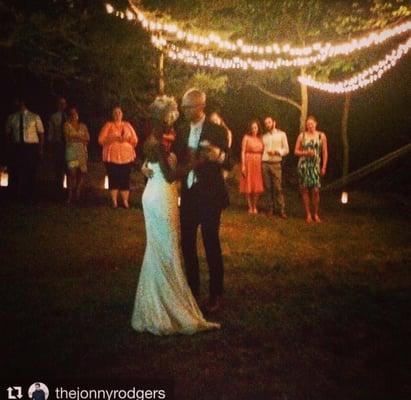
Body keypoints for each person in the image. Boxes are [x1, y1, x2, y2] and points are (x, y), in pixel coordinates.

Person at [132, 95, 220, 335]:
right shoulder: (157, 142)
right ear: (163, 118)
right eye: (171, 118)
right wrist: (196, 162)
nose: (173, 123)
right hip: (161, 195)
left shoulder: (157, 140)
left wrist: (147, 165)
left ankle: (164, 296)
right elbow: (170, 174)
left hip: (160, 194)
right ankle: (167, 300)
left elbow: (153, 160)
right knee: (169, 247)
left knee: (161, 248)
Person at [173, 88, 229, 313]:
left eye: (187, 107)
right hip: (188, 193)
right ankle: (192, 290)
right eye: (183, 107)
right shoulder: (182, 129)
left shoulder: (216, 131)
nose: (183, 110)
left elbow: (230, 160)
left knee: (210, 242)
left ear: (200, 107)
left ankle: (216, 294)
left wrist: (219, 156)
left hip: (210, 194)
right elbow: (177, 157)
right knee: (186, 242)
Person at [5, 97, 44, 203]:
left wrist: (40, 149)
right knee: (14, 171)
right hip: (17, 146)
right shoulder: (12, 117)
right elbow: (8, 133)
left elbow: (41, 133)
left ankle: (29, 195)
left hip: (30, 147)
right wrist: (9, 147)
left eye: (17, 102)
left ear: (22, 102)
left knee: (30, 171)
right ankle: (13, 194)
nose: (15, 104)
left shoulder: (34, 117)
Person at [98, 106, 138, 209]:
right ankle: (114, 201)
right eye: (115, 113)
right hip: (112, 158)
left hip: (126, 157)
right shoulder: (108, 125)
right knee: (113, 177)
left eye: (119, 112)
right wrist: (113, 138)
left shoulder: (127, 125)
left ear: (122, 114)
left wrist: (127, 139)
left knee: (125, 178)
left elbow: (135, 140)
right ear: (113, 115)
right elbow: (101, 140)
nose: (117, 114)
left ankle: (125, 201)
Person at [294, 115, 328, 223]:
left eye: (312, 124)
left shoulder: (321, 136)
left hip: (315, 166)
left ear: (316, 124)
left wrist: (324, 166)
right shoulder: (302, 136)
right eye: (308, 124)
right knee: (304, 190)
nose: (310, 126)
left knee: (316, 191)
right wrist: (305, 153)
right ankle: (308, 214)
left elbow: (325, 152)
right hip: (304, 165)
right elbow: (296, 151)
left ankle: (315, 214)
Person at [262, 116, 289, 218]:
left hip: (276, 163)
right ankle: (270, 209)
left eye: (269, 122)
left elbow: (286, 149)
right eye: (266, 123)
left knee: (278, 187)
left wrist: (277, 152)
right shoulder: (264, 137)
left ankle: (281, 210)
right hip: (265, 163)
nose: (268, 124)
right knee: (268, 188)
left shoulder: (282, 135)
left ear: (274, 122)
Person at [64, 106, 90, 204]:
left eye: (75, 113)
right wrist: (81, 138)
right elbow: (69, 137)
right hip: (71, 151)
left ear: (78, 115)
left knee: (82, 173)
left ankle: (77, 194)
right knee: (72, 174)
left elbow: (87, 138)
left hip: (82, 152)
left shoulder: (83, 126)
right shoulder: (67, 125)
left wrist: (77, 137)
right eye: (71, 114)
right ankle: (70, 196)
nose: (73, 115)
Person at [240, 119, 264, 214]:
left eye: (256, 127)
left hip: (258, 162)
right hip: (248, 161)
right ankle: (250, 206)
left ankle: (255, 205)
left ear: (258, 128)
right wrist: (243, 165)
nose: (254, 129)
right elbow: (242, 151)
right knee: (248, 183)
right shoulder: (246, 137)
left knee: (257, 184)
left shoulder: (261, 138)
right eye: (252, 128)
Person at [48, 96, 68, 198]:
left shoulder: (69, 116)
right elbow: (51, 133)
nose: (62, 105)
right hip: (58, 145)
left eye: (64, 103)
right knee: (58, 169)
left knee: (69, 168)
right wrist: (51, 147)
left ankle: (69, 192)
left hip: (69, 146)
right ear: (57, 104)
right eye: (60, 103)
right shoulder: (54, 117)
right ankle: (58, 191)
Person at [210, 111, 233, 179]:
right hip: (212, 157)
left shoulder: (227, 131)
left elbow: (228, 146)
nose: (215, 122)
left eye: (216, 120)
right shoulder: (210, 133)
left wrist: (223, 154)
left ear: (220, 120)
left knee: (222, 178)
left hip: (223, 157)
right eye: (213, 121)